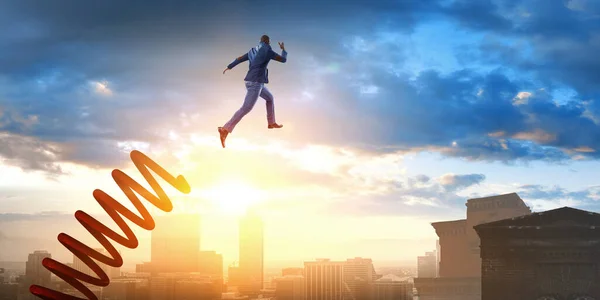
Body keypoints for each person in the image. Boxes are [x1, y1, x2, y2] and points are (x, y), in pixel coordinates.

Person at [218, 34, 288, 148]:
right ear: (268, 42)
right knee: (246, 108)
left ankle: (271, 122)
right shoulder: (268, 51)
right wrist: (283, 50)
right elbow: (283, 60)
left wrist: (229, 66)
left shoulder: (252, 50)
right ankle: (225, 129)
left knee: (270, 98)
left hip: (252, 82)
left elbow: (240, 59)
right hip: (256, 84)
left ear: (260, 41)